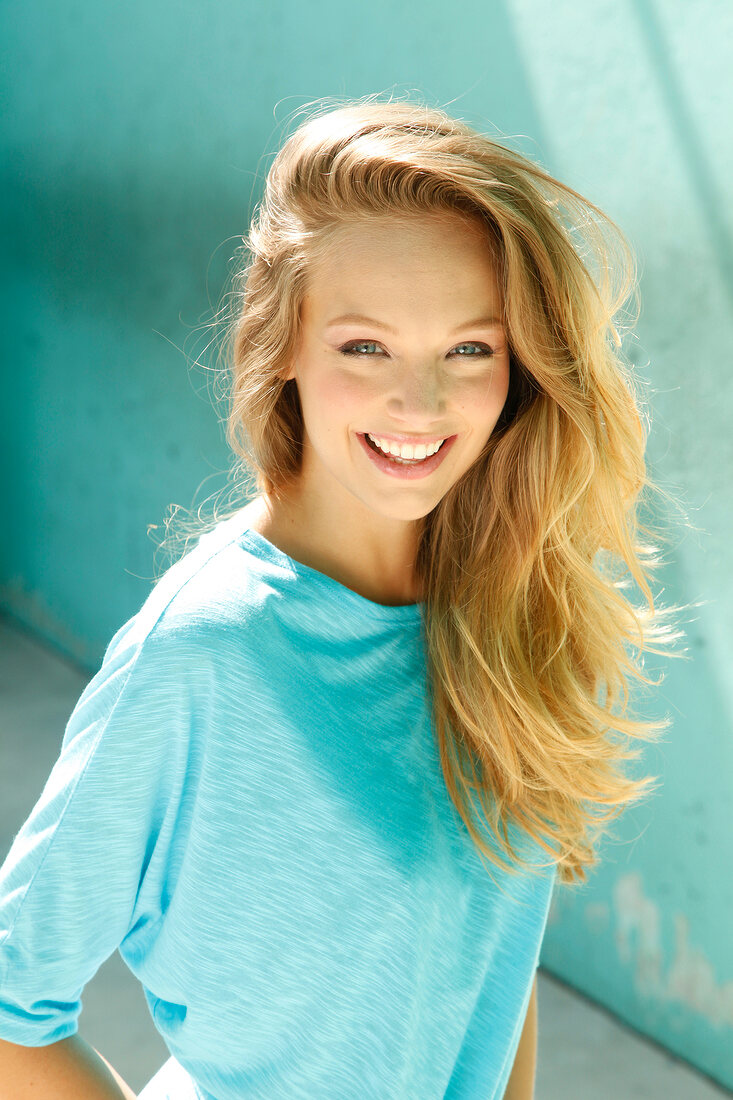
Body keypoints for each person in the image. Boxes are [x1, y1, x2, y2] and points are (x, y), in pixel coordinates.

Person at [0, 95, 686, 1100]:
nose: (421, 403)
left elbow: (486, 963)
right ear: (284, 344)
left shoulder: (500, 606)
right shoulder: (207, 648)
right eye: (366, 347)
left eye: (469, 348)